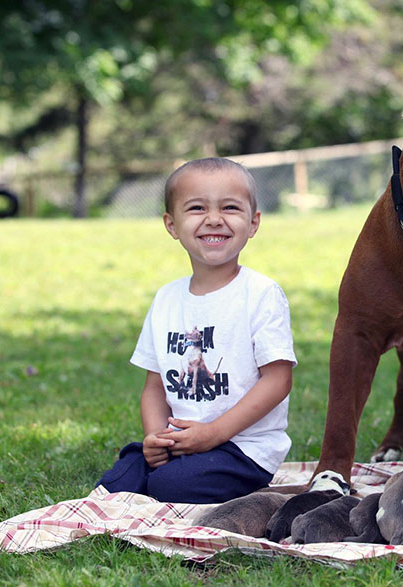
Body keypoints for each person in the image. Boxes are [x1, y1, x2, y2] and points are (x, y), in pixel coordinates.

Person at [97, 157, 296, 504]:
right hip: (182, 442)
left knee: (172, 487)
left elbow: (278, 380)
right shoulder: (167, 299)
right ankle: (163, 470)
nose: (214, 219)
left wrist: (214, 434)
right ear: (171, 225)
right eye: (197, 208)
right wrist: (156, 437)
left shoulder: (261, 294)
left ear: (253, 223)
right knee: (118, 481)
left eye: (230, 207)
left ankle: (236, 490)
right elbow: (154, 387)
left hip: (242, 449)